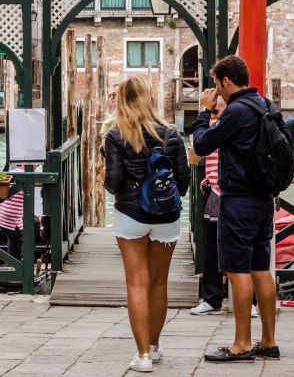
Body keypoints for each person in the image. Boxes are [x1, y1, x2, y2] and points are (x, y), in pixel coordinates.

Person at [193, 55, 280, 362]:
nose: (216, 90)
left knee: (237, 270)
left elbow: (202, 145)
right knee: (260, 269)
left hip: (238, 200)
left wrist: (204, 112)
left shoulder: (236, 111)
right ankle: (268, 341)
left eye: (217, 84)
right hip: (263, 200)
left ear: (226, 81)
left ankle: (241, 342)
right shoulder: (265, 105)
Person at [104, 77, 190, 373]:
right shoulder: (173, 134)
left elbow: (112, 182)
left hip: (131, 215)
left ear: (122, 101)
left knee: (136, 283)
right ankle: (153, 345)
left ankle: (141, 356)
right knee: (159, 283)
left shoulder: (115, 135)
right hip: (166, 216)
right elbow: (184, 183)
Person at [189, 95, 225, 316]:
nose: (214, 118)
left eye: (217, 112)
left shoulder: (232, 125)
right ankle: (212, 298)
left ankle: (249, 301)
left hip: (236, 192)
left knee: (238, 247)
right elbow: (193, 157)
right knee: (211, 248)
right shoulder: (210, 131)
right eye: (212, 113)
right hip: (213, 190)